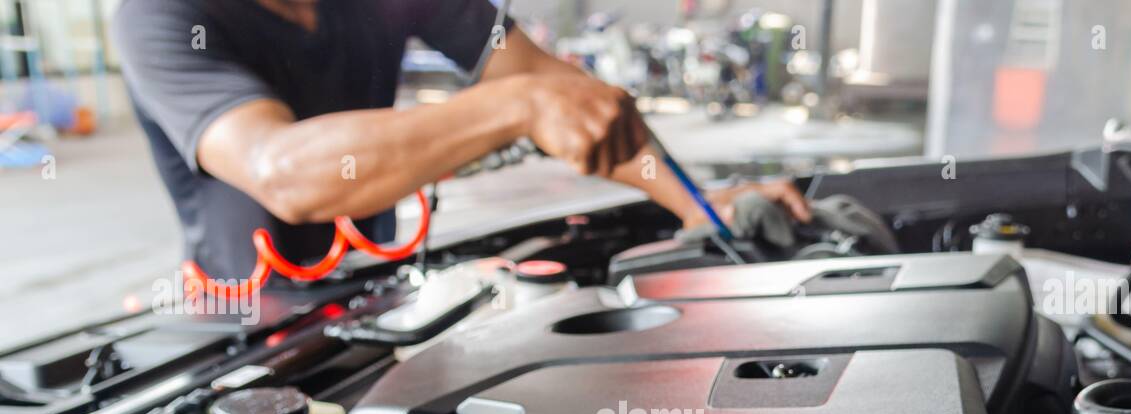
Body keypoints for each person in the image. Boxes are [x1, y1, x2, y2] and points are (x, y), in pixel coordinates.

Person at [112, 0, 812, 282]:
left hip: (379, 298)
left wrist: (694, 203)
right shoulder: (161, 15)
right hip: (244, 339)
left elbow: (565, 97)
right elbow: (284, 171)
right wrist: (511, 105)